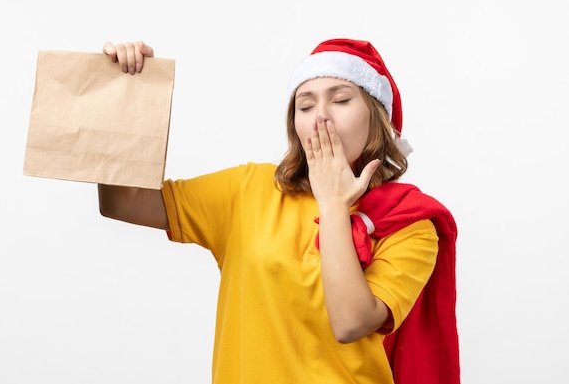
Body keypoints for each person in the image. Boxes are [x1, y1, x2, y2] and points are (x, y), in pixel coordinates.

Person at [97, 38, 460, 384]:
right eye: (305, 106)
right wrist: (123, 98)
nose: (321, 117)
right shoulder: (250, 190)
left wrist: (333, 204)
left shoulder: (411, 225)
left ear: (376, 118)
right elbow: (121, 202)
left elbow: (350, 323)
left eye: (341, 100)